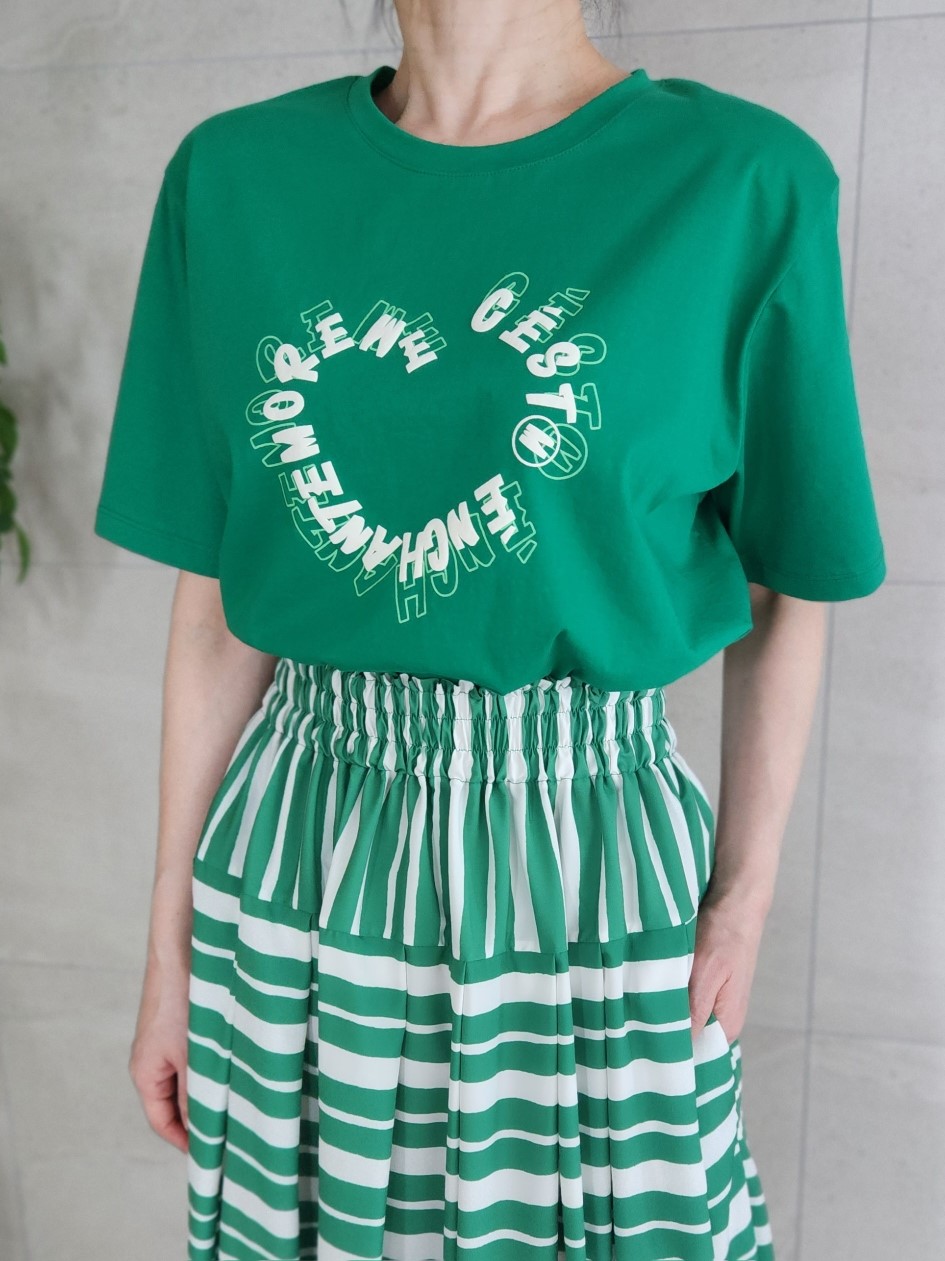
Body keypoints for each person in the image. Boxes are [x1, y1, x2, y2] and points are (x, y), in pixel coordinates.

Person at [92, 1, 887, 1258]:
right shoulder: (235, 177)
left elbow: (794, 582)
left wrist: (741, 899)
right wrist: (166, 952)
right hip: (306, 845)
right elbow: (218, 604)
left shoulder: (742, 181)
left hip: (593, 852)